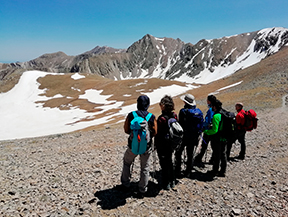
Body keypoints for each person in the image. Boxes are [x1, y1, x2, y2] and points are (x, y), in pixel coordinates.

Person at [120, 95, 157, 196]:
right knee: (145, 167)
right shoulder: (151, 117)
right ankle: (142, 189)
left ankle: (125, 184)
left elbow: (126, 129)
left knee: (127, 162)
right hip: (147, 146)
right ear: (148, 105)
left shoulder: (131, 115)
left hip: (133, 145)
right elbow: (155, 132)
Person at [175, 94, 203, 178]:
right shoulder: (199, 112)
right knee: (190, 154)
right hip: (194, 136)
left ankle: (177, 169)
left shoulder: (183, 111)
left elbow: (180, 124)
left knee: (178, 152)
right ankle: (188, 171)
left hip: (184, 136)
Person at [155, 95, 177, 190]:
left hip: (163, 144)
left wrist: (156, 144)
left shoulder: (161, 119)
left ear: (163, 106)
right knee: (170, 161)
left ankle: (166, 182)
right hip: (172, 143)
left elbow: (158, 133)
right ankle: (172, 181)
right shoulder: (174, 115)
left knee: (164, 163)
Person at [204, 99, 227, 177]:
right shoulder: (224, 113)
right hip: (224, 137)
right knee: (223, 154)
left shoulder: (216, 116)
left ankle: (215, 170)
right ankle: (223, 170)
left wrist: (206, 131)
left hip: (217, 138)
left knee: (217, 154)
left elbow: (214, 130)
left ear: (214, 107)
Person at [194, 94, 217, 167]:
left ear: (209, 101)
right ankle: (213, 159)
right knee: (213, 146)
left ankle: (199, 158)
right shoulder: (216, 108)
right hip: (214, 130)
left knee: (204, 145)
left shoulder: (210, 110)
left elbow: (208, 120)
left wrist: (203, 126)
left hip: (208, 130)